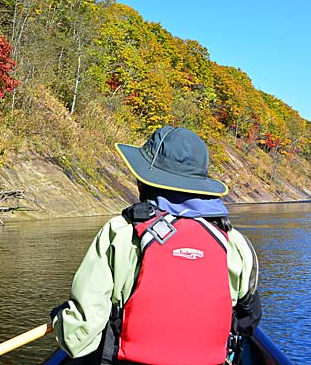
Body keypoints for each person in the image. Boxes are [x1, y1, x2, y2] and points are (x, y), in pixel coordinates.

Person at [50, 126, 261, 365]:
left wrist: (60, 318)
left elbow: (80, 335)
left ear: (144, 180)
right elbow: (247, 320)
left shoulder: (120, 232)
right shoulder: (236, 244)